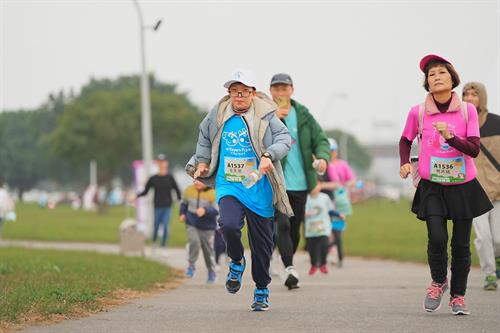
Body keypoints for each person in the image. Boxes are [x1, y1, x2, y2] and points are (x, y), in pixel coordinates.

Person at [186, 69, 292, 311]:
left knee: (262, 246)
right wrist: (202, 162)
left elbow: (285, 139)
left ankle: (262, 289)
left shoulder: (267, 115)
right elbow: (204, 139)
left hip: (259, 186)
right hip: (229, 183)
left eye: (244, 92)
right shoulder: (218, 114)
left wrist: (268, 155)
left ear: (253, 93)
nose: (239, 96)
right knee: (229, 225)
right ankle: (236, 261)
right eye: (234, 92)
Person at [399, 54, 493, 315]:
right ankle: (438, 281)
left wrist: (451, 137)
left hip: (463, 185)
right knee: (437, 237)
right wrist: (404, 162)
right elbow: (405, 140)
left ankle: (458, 296)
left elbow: (473, 149)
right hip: (432, 186)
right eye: (431, 74)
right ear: (426, 83)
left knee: (461, 244)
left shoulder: (467, 110)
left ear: (452, 79)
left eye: (441, 72)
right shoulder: (417, 112)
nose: (436, 77)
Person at [269, 73, 331, 290]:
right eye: (276, 89)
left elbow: (320, 140)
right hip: (276, 181)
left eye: (284, 89)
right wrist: (274, 117)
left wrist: (323, 158)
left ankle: (284, 258)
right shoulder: (263, 114)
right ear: (270, 91)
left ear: (291, 90)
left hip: (301, 184)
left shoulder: (303, 114)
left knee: (294, 229)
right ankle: (289, 268)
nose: (280, 93)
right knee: (283, 223)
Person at [462, 82, 500, 291]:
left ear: (482, 98)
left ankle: (497, 261)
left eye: (473, 94)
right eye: (465, 94)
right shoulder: (460, 126)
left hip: (498, 190)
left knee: (499, 239)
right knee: (483, 237)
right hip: (474, 192)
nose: (469, 98)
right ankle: (490, 275)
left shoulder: (497, 123)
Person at [321, 138, 356, 268]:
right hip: (326, 200)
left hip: (341, 201)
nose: (331, 153)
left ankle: (332, 251)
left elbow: (352, 180)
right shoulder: (323, 165)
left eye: (333, 150)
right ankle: (330, 252)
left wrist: (344, 184)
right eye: (329, 150)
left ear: (336, 151)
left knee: (338, 229)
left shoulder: (343, 164)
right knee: (326, 227)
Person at [137, 154, 181, 252]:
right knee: (156, 226)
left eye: (164, 162)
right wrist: (136, 196)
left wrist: (180, 200)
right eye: (160, 162)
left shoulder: (170, 177)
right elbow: (145, 191)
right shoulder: (153, 178)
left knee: (165, 226)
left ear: (166, 163)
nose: (162, 164)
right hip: (157, 206)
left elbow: (177, 190)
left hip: (168, 206)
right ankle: (154, 242)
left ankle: (164, 246)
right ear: (158, 163)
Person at [179, 179, 218, 284]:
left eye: (200, 180)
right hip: (192, 223)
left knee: (208, 250)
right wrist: (182, 213)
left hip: (208, 227)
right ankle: (191, 265)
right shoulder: (189, 190)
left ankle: (211, 271)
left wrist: (205, 210)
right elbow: (184, 203)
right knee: (194, 241)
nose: (197, 183)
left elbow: (216, 209)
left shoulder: (213, 193)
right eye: (195, 180)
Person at [304, 183, 344, 275]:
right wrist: (306, 214)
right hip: (311, 229)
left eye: (317, 184)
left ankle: (323, 264)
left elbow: (330, 210)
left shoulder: (325, 197)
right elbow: (302, 212)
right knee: (312, 248)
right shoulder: (306, 198)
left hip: (323, 227)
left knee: (324, 245)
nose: (315, 187)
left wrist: (338, 215)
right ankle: (314, 265)